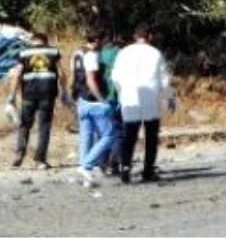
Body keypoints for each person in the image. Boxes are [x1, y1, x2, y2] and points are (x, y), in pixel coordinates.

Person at [111, 24, 176, 184]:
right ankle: (148, 170)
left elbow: (115, 77)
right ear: (150, 37)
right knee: (151, 137)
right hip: (150, 100)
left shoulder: (123, 53)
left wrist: (121, 93)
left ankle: (125, 166)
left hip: (129, 99)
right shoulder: (156, 53)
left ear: (134, 36)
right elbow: (164, 80)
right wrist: (169, 99)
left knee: (129, 136)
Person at [7, 32, 70, 170]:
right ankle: (40, 160)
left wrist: (11, 95)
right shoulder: (53, 51)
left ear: (33, 41)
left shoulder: (23, 53)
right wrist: (65, 92)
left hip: (28, 95)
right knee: (44, 127)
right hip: (47, 94)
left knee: (24, 125)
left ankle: (19, 155)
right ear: (45, 41)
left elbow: (17, 74)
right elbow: (61, 73)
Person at [71, 30, 116, 186]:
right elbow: (91, 81)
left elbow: (75, 78)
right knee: (110, 135)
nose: (103, 44)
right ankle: (87, 165)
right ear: (97, 40)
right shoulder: (91, 56)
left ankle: (86, 175)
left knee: (86, 137)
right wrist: (102, 100)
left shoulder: (77, 53)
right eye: (102, 40)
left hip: (81, 101)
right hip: (93, 102)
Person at [97, 34, 124, 176]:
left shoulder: (98, 54)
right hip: (115, 96)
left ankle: (102, 162)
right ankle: (114, 163)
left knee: (104, 132)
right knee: (119, 132)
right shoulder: (119, 54)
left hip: (102, 96)